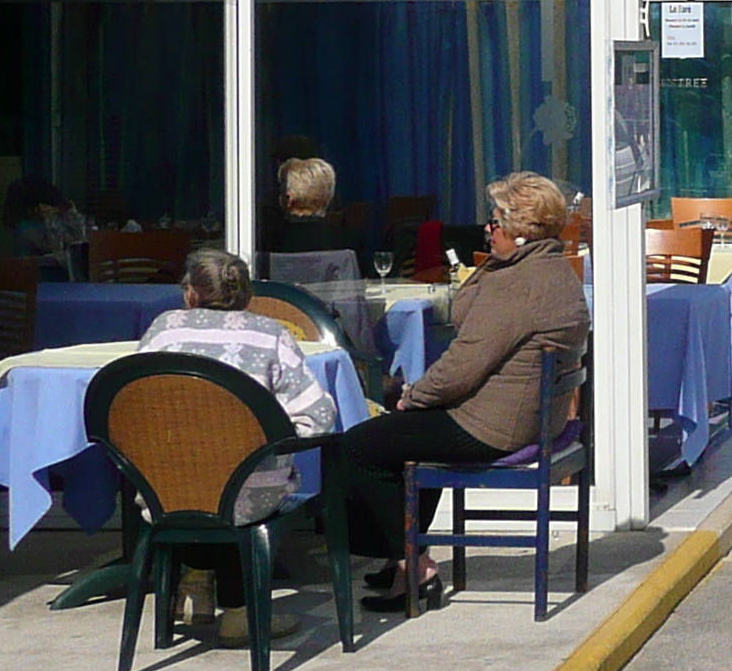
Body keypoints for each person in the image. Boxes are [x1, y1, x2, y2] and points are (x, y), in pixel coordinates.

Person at [339, 171, 587, 613]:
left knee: (359, 444)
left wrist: (413, 396)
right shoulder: (552, 269)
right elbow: (469, 331)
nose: (487, 230)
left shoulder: (518, 285)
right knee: (409, 438)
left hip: (492, 426)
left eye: (495, 222)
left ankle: (411, 562)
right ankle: (403, 553)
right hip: (527, 416)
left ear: (522, 231)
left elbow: (461, 366)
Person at [130, 248, 339, 643]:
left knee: (195, 473)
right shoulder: (270, 334)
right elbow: (317, 419)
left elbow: (141, 408)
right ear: (245, 296)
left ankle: (196, 576)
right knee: (239, 476)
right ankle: (237, 612)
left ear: (191, 295)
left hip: (165, 493)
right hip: (246, 493)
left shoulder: (164, 329)